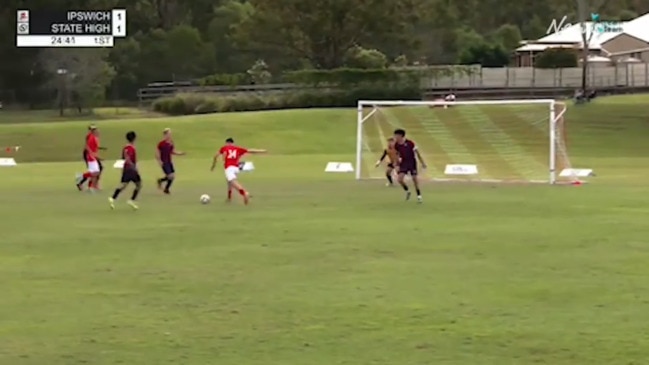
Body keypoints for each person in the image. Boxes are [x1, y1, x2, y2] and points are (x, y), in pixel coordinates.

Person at [210, 137, 266, 204]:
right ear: (233, 143)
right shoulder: (237, 148)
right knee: (229, 182)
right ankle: (229, 197)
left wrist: (213, 165)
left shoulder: (224, 148)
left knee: (233, 182)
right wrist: (261, 151)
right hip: (236, 168)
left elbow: (216, 156)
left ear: (227, 143)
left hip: (229, 167)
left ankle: (244, 193)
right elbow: (250, 151)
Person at [109, 131, 141, 210]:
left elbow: (123, 158)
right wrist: (134, 166)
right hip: (131, 169)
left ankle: (113, 198)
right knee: (139, 184)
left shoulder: (125, 148)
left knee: (123, 185)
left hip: (126, 169)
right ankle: (131, 200)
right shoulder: (131, 148)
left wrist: (122, 168)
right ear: (134, 138)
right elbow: (127, 158)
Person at [393, 129, 426, 202]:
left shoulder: (410, 143)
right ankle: (407, 191)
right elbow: (397, 154)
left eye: (396, 135)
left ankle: (419, 196)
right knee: (399, 179)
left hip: (411, 163)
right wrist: (396, 164)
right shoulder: (396, 145)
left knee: (415, 179)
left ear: (401, 136)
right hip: (404, 163)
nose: (395, 137)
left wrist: (422, 162)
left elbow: (417, 153)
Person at [156, 128, 185, 194]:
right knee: (170, 176)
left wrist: (180, 153)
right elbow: (157, 153)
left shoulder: (171, 142)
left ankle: (161, 182)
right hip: (164, 162)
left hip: (169, 162)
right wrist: (159, 161)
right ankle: (166, 189)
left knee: (172, 176)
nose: (170, 135)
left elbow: (172, 151)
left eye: (170, 134)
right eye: (169, 134)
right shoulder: (161, 143)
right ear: (165, 135)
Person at [76, 125, 103, 191]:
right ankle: (90, 184)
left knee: (97, 169)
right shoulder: (90, 136)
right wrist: (94, 155)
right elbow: (87, 147)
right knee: (96, 170)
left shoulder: (93, 136)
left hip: (90, 154)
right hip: (89, 155)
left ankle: (90, 184)